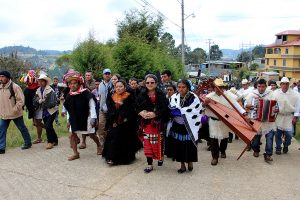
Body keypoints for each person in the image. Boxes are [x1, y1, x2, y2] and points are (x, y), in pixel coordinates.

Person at [203, 79, 247, 166]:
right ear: (214, 87)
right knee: (213, 140)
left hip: (224, 120)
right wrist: (204, 103)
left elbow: (236, 105)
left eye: (220, 87)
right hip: (213, 121)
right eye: (216, 87)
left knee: (224, 138)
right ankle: (215, 157)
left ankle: (222, 151)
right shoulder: (209, 96)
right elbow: (202, 107)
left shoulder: (228, 95)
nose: (218, 89)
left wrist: (244, 113)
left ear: (223, 87)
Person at [102, 80, 142, 165]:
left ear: (124, 87)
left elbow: (133, 109)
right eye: (117, 87)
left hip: (127, 123)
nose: (119, 88)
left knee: (126, 141)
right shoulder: (112, 96)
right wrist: (113, 117)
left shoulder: (129, 96)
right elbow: (110, 110)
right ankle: (111, 158)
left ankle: (126, 158)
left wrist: (122, 107)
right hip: (115, 122)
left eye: (121, 86)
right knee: (112, 139)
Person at [63, 71, 101, 161]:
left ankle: (99, 145)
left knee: (91, 134)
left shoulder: (86, 93)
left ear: (79, 83)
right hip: (74, 118)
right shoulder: (69, 95)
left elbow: (92, 105)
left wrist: (93, 118)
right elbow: (68, 108)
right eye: (71, 84)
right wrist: (68, 119)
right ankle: (76, 153)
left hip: (86, 117)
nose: (73, 85)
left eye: (74, 83)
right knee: (72, 135)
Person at [136, 74, 169, 173]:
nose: (150, 84)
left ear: (156, 83)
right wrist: (141, 112)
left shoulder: (161, 94)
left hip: (158, 123)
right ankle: (149, 165)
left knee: (158, 143)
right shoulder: (141, 94)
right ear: (145, 83)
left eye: (152, 82)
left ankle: (160, 157)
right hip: (146, 123)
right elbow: (136, 106)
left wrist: (155, 114)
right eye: (147, 82)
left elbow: (165, 108)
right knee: (147, 144)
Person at [168, 80, 202, 173]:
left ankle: (190, 161)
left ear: (187, 88)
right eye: (179, 87)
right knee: (179, 145)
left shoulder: (193, 97)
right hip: (177, 125)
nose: (181, 89)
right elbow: (170, 107)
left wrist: (182, 112)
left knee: (189, 145)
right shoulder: (174, 97)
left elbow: (196, 110)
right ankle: (182, 164)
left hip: (189, 126)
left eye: (183, 87)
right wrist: (174, 111)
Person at [245, 79, 277, 162]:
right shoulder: (252, 94)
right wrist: (249, 106)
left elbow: (276, 105)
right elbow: (246, 105)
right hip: (256, 120)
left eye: (263, 86)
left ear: (266, 86)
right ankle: (256, 150)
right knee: (256, 139)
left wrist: (275, 109)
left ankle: (268, 154)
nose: (261, 88)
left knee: (269, 138)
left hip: (268, 121)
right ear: (257, 86)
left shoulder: (271, 94)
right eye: (259, 86)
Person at [0, 70, 32, 154]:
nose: (1, 78)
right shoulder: (0, 87)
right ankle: (1, 148)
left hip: (15, 114)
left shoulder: (15, 87)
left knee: (22, 128)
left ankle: (28, 142)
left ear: (7, 78)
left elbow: (21, 101)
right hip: (4, 114)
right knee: (1, 130)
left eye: (2, 76)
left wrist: (13, 110)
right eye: (0, 77)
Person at [273, 77, 300, 154]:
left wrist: (295, 116)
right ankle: (278, 147)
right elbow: (272, 104)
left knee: (289, 134)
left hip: (289, 116)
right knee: (278, 133)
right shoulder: (275, 93)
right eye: (283, 84)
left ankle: (286, 145)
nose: (285, 85)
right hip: (279, 116)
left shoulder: (296, 94)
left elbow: (298, 106)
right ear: (280, 85)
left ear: (289, 85)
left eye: (286, 84)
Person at [33, 74, 58, 149]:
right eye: (39, 81)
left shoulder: (50, 90)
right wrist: (41, 100)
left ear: (45, 82)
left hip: (52, 111)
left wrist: (40, 101)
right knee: (49, 126)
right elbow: (34, 100)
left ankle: (50, 142)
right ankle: (55, 140)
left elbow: (51, 102)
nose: (40, 83)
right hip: (44, 111)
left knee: (48, 126)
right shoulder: (38, 90)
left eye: (42, 81)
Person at [23, 70, 44, 144]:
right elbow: (26, 101)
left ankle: (39, 138)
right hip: (31, 109)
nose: (29, 82)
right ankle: (49, 129)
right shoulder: (26, 90)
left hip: (39, 107)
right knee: (35, 123)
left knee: (38, 123)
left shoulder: (39, 88)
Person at [79, 71, 97, 150]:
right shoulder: (83, 82)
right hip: (83, 104)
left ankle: (98, 144)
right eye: (86, 75)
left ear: (92, 75)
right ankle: (83, 142)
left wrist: (84, 86)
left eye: (89, 75)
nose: (87, 76)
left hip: (93, 103)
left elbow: (91, 90)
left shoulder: (94, 82)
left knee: (92, 130)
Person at [97, 68, 112, 155]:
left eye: (108, 73)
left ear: (110, 74)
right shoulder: (100, 85)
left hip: (111, 110)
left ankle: (109, 145)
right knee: (101, 127)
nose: (107, 75)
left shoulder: (113, 84)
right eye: (105, 73)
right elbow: (99, 97)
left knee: (110, 128)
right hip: (102, 110)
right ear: (103, 75)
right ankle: (102, 145)